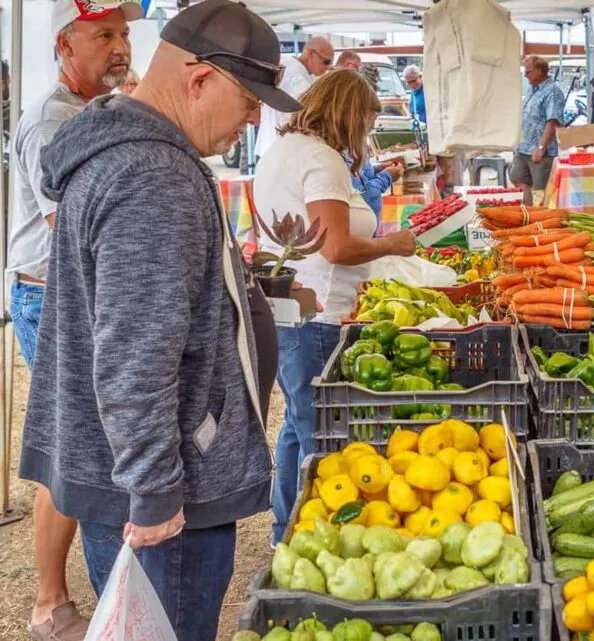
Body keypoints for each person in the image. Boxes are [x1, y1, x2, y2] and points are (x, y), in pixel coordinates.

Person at [19, 1, 299, 639]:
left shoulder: (128, 156)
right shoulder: (153, 176)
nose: (254, 118)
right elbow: (135, 352)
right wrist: (154, 493)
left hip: (150, 477)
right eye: (249, 99)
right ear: (200, 79)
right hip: (167, 499)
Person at [8, 2, 141, 639]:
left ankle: (59, 600)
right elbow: (83, 230)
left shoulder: (96, 112)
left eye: (124, 34)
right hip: (51, 297)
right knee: (72, 449)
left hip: (79, 298)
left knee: (78, 447)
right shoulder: (53, 122)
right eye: (104, 36)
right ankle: (51, 603)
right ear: (65, 45)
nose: (121, 47)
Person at [252, 69, 417, 546]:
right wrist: (392, 245)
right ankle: (314, 540)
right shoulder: (321, 159)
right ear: (348, 115)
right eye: (365, 123)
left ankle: (284, 529)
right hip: (319, 314)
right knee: (320, 434)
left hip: (292, 309)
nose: (365, 135)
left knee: (298, 424)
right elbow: (336, 247)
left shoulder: (282, 151)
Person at [254, 35, 334, 159]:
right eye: (326, 61)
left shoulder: (287, 68)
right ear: (311, 54)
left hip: (272, 148)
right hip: (282, 152)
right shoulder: (297, 81)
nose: (328, 67)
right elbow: (305, 121)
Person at [511, 55, 565, 206]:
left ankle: (541, 219)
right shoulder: (531, 89)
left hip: (540, 150)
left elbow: (553, 122)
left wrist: (541, 147)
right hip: (523, 147)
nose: (525, 75)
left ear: (540, 71)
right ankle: (527, 213)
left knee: (541, 189)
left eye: (528, 72)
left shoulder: (552, 92)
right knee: (518, 179)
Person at [348, 157, 403, 227]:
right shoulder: (337, 158)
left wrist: (376, 170)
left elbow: (365, 177)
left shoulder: (354, 149)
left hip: (373, 225)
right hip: (360, 231)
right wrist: (385, 177)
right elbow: (359, 197)